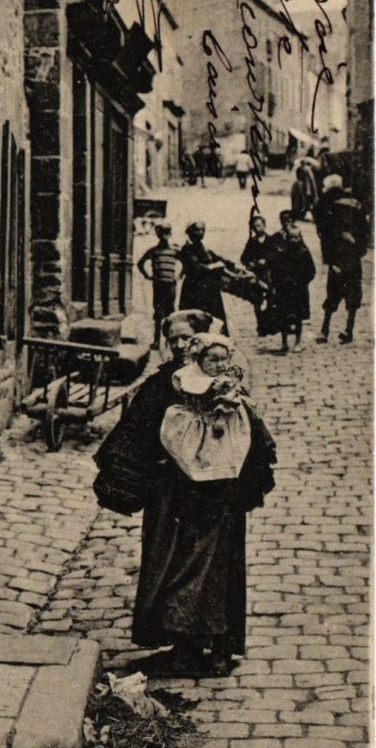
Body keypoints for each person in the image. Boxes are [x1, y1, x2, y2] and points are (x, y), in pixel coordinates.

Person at [93, 310, 276, 678]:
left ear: (201, 340)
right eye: (172, 338)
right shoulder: (164, 383)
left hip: (218, 496)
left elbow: (250, 433)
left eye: (185, 337)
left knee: (217, 568)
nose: (178, 344)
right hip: (173, 497)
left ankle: (220, 647)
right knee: (173, 569)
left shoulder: (227, 381)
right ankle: (183, 647)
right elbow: (136, 430)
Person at [160, 334, 251, 483]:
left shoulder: (225, 380)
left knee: (216, 449)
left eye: (224, 359)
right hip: (196, 417)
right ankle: (185, 468)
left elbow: (229, 401)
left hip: (219, 420)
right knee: (183, 437)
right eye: (213, 361)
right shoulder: (191, 375)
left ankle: (215, 475)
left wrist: (222, 418)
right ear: (200, 361)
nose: (220, 365)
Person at [316, 193, 368, 344]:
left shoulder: (359, 230)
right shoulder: (332, 229)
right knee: (332, 297)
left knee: (353, 298)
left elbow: (363, 248)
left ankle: (348, 330)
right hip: (337, 266)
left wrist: (353, 241)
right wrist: (332, 263)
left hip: (352, 267)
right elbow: (326, 245)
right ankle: (324, 330)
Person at [268, 223, 316, 353]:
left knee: (298, 317)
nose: (293, 240)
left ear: (300, 238)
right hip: (285, 290)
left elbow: (311, 271)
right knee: (284, 316)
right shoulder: (282, 253)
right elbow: (275, 271)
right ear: (287, 238)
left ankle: (298, 341)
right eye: (290, 237)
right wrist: (277, 284)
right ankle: (284, 342)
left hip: (299, 290)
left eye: (296, 237)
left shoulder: (304, 253)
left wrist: (303, 281)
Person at [137, 221, 182, 349]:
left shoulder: (175, 251)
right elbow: (140, 263)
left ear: (170, 234)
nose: (164, 236)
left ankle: (170, 341)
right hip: (158, 285)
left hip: (171, 285)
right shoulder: (153, 251)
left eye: (167, 233)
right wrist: (148, 276)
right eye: (162, 233)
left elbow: (186, 263)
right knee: (158, 313)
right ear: (158, 234)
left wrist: (179, 276)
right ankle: (156, 341)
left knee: (171, 313)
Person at [179, 221, 231, 331]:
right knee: (195, 317)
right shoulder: (187, 249)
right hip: (194, 289)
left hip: (210, 288)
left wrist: (226, 262)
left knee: (214, 317)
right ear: (190, 232)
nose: (200, 232)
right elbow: (196, 267)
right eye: (197, 230)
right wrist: (215, 265)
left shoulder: (204, 247)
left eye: (202, 230)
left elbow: (217, 258)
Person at [241, 214, 273, 334]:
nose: (257, 228)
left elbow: (275, 254)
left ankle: (268, 322)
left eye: (259, 225)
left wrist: (267, 260)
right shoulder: (252, 241)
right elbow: (244, 257)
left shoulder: (271, 240)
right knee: (257, 300)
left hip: (269, 274)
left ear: (264, 225)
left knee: (271, 298)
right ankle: (260, 324)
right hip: (257, 275)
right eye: (254, 227)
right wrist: (251, 263)